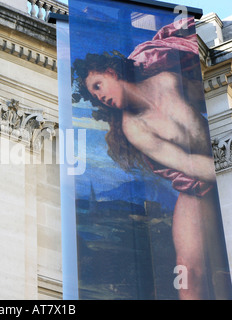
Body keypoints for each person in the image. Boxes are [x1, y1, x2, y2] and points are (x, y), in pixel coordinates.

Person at [72, 18, 232, 300]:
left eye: (98, 85)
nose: (100, 98)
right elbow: (187, 164)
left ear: (112, 72)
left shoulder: (169, 80)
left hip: (218, 162)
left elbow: (214, 106)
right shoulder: (133, 129)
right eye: (94, 95)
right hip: (195, 183)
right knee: (187, 272)